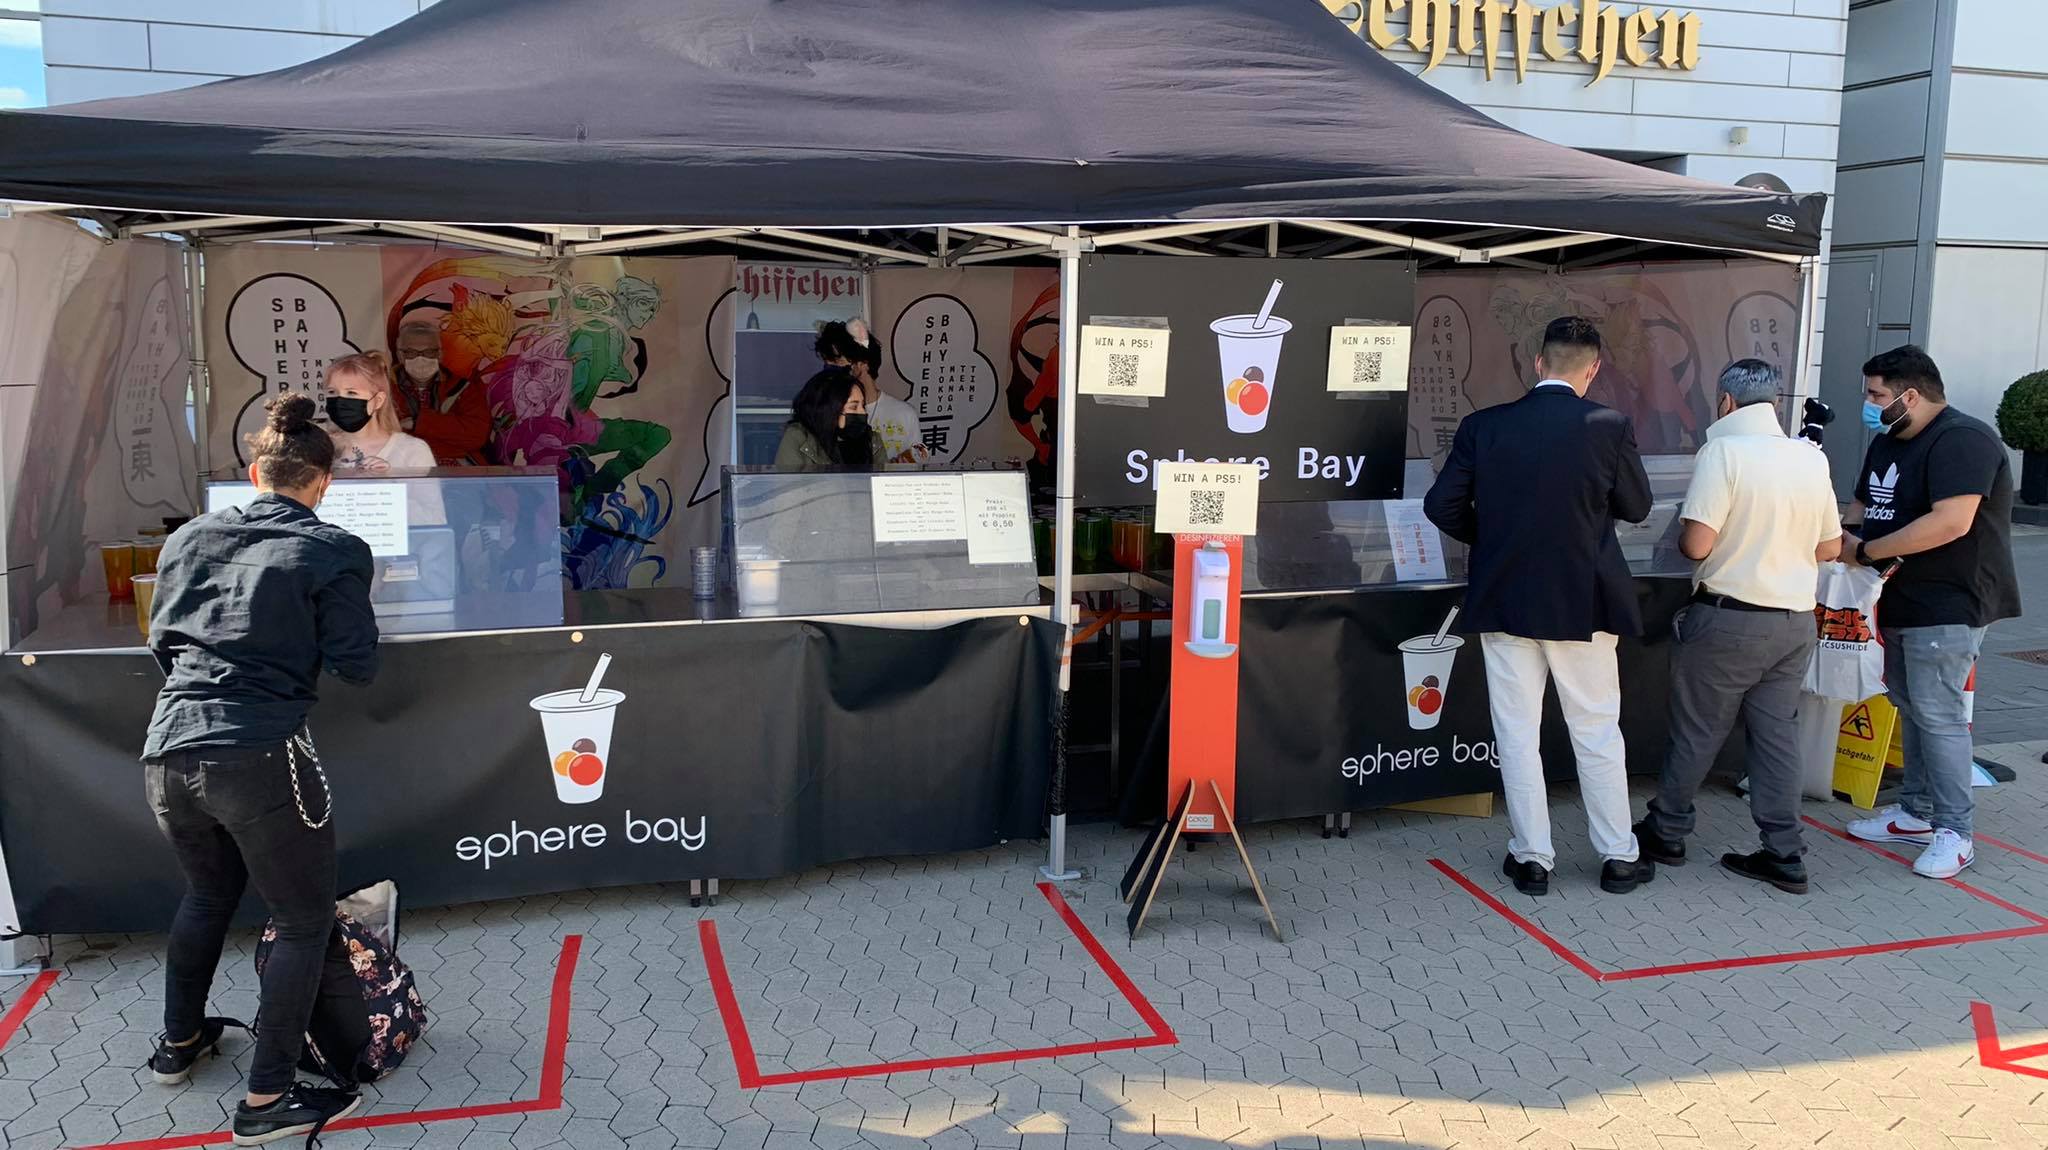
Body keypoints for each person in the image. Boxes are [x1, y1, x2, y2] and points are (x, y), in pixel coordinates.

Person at [141, 393, 378, 1145]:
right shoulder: (334, 549)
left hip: (167, 748)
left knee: (208, 893)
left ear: (254, 473)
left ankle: (178, 1044)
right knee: (303, 920)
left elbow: (161, 644)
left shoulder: (187, 538)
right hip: (260, 752)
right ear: (324, 482)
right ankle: (267, 1100)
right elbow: (357, 664)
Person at [1424, 316, 1654, 897]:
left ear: (1538, 363)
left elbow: (1440, 505)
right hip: (1585, 601)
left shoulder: (1484, 426)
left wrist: (1493, 540)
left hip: (1507, 596)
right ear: (1593, 369)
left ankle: (1532, 859)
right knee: (1596, 728)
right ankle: (1618, 857)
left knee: (1516, 731)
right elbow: (1637, 507)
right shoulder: (1609, 425)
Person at [1633, 360, 1843, 894]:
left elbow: (1696, 544)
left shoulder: (1722, 452)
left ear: (1725, 401)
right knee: (1777, 739)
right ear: (1775, 402)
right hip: (1794, 622)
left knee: (1697, 730)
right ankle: (1785, 853)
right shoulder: (1809, 457)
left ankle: (1667, 831)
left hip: (1729, 619)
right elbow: (1829, 547)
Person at [1845, 346, 2022, 878]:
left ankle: (1955, 832)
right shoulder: (1888, 441)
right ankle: (1916, 812)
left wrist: (1866, 552)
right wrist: (1838, 540)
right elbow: (1861, 509)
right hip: (1899, 599)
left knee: (1939, 714)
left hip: (1950, 600)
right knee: (1912, 706)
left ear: (1910, 395)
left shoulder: (1962, 440)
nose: (1869, 404)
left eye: (1876, 394)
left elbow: (1951, 522)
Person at [817, 319, 926, 463]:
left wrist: (903, 462)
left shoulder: (905, 413)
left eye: (838, 362)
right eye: (827, 364)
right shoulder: (824, 413)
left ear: (863, 363)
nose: (831, 372)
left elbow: (921, 454)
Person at [391, 317, 491, 465]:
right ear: (400, 355)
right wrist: (448, 433)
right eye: (411, 352)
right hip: (403, 466)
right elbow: (381, 437)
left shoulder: (464, 387)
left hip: (457, 468)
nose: (421, 358)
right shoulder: (384, 389)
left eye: (429, 352)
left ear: (440, 354)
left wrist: (419, 423)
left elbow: (477, 436)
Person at [323, 351, 438, 475]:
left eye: (351, 393)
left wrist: (387, 478)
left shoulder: (413, 450)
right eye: (332, 392)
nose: (339, 401)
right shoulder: (319, 447)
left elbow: (427, 488)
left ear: (378, 400)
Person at [775, 366, 887, 471]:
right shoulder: (799, 437)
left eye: (863, 406)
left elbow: (883, 481)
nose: (863, 412)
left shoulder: (872, 441)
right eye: (853, 407)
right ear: (829, 409)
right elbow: (787, 483)